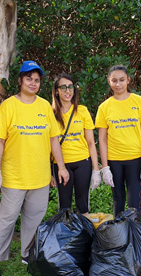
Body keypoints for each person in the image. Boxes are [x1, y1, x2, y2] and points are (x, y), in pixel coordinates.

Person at [0, 61, 69, 276]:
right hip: (14, 176)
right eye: (29, 79)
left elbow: (53, 140)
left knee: (34, 219)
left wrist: (60, 167)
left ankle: (28, 253)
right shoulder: (8, 106)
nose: (33, 83)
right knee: (7, 219)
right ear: (20, 80)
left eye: (37, 80)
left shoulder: (44, 107)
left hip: (39, 176)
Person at [95, 65, 141, 218]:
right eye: (114, 81)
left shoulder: (139, 102)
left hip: (135, 159)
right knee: (118, 200)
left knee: (134, 202)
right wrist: (105, 167)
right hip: (114, 161)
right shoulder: (104, 107)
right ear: (109, 81)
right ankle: (119, 238)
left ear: (128, 80)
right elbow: (102, 138)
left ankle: (137, 237)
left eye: (121, 80)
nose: (118, 84)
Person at [50, 73, 101, 215]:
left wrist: (96, 169)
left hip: (82, 162)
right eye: (63, 87)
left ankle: (83, 234)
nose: (68, 91)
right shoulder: (50, 113)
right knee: (64, 205)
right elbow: (47, 145)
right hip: (61, 164)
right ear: (56, 91)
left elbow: (91, 142)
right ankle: (66, 233)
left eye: (71, 87)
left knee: (82, 203)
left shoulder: (82, 111)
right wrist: (49, 172)